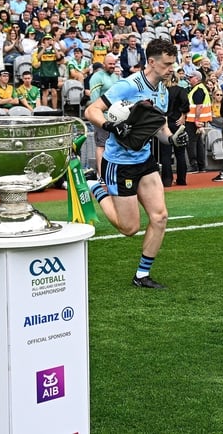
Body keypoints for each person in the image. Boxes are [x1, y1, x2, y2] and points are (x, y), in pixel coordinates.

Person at [83, 38, 186, 289]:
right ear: (151, 62)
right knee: (129, 228)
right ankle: (95, 186)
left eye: (173, 63)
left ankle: (141, 276)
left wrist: (172, 138)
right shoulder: (128, 85)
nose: (172, 68)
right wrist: (110, 125)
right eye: (167, 64)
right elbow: (92, 110)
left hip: (144, 160)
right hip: (119, 163)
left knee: (160, 217)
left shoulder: (162, 89)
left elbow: (159, 126)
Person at [87, 57, 119, 180]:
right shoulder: (97, 77)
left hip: (114, 118)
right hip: (101, 118)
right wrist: (99, 115)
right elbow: (95, 99)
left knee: (113, 146)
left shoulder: (115, 77)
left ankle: (111, 173)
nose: (112, 66)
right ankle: (101, 175)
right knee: (101, 146)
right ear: (104, 64)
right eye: (110, 64)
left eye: (114, 64)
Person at [161, 73, 189, 186]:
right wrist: (183, 116)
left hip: (165, 123)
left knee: (166, 154)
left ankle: (167, 180)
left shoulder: (163, 91)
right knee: (180, 153)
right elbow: (186, 104)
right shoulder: (181, 90)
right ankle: (181, 179)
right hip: (178, 123)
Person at [186, 69, 211, 174]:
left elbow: (199, 106)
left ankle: (194, 165)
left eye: (190, 77)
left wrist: (196, 120)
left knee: (191, 143)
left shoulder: (198, 89)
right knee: (199, 143)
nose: (189, 79)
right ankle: (201, 166)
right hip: (199, 119)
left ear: (197, 78)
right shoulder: (200, 88)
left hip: (193, 120)